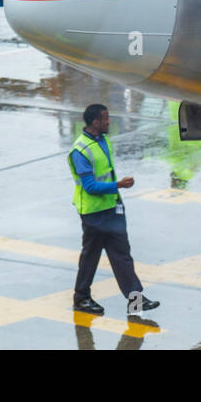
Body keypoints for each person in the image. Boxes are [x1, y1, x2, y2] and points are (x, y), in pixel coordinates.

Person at [69, 104, 160, 316]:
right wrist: (118, 185)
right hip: (93, 213)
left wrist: (116, 195)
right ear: (95, 122)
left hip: (112, 208)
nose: (109, 122)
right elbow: (90, 187)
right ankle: (81, 298)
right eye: (105, 119)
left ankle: (135, 301)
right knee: (90, 257)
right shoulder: (80, 150)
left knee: (122, 256)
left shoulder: (103, 141)